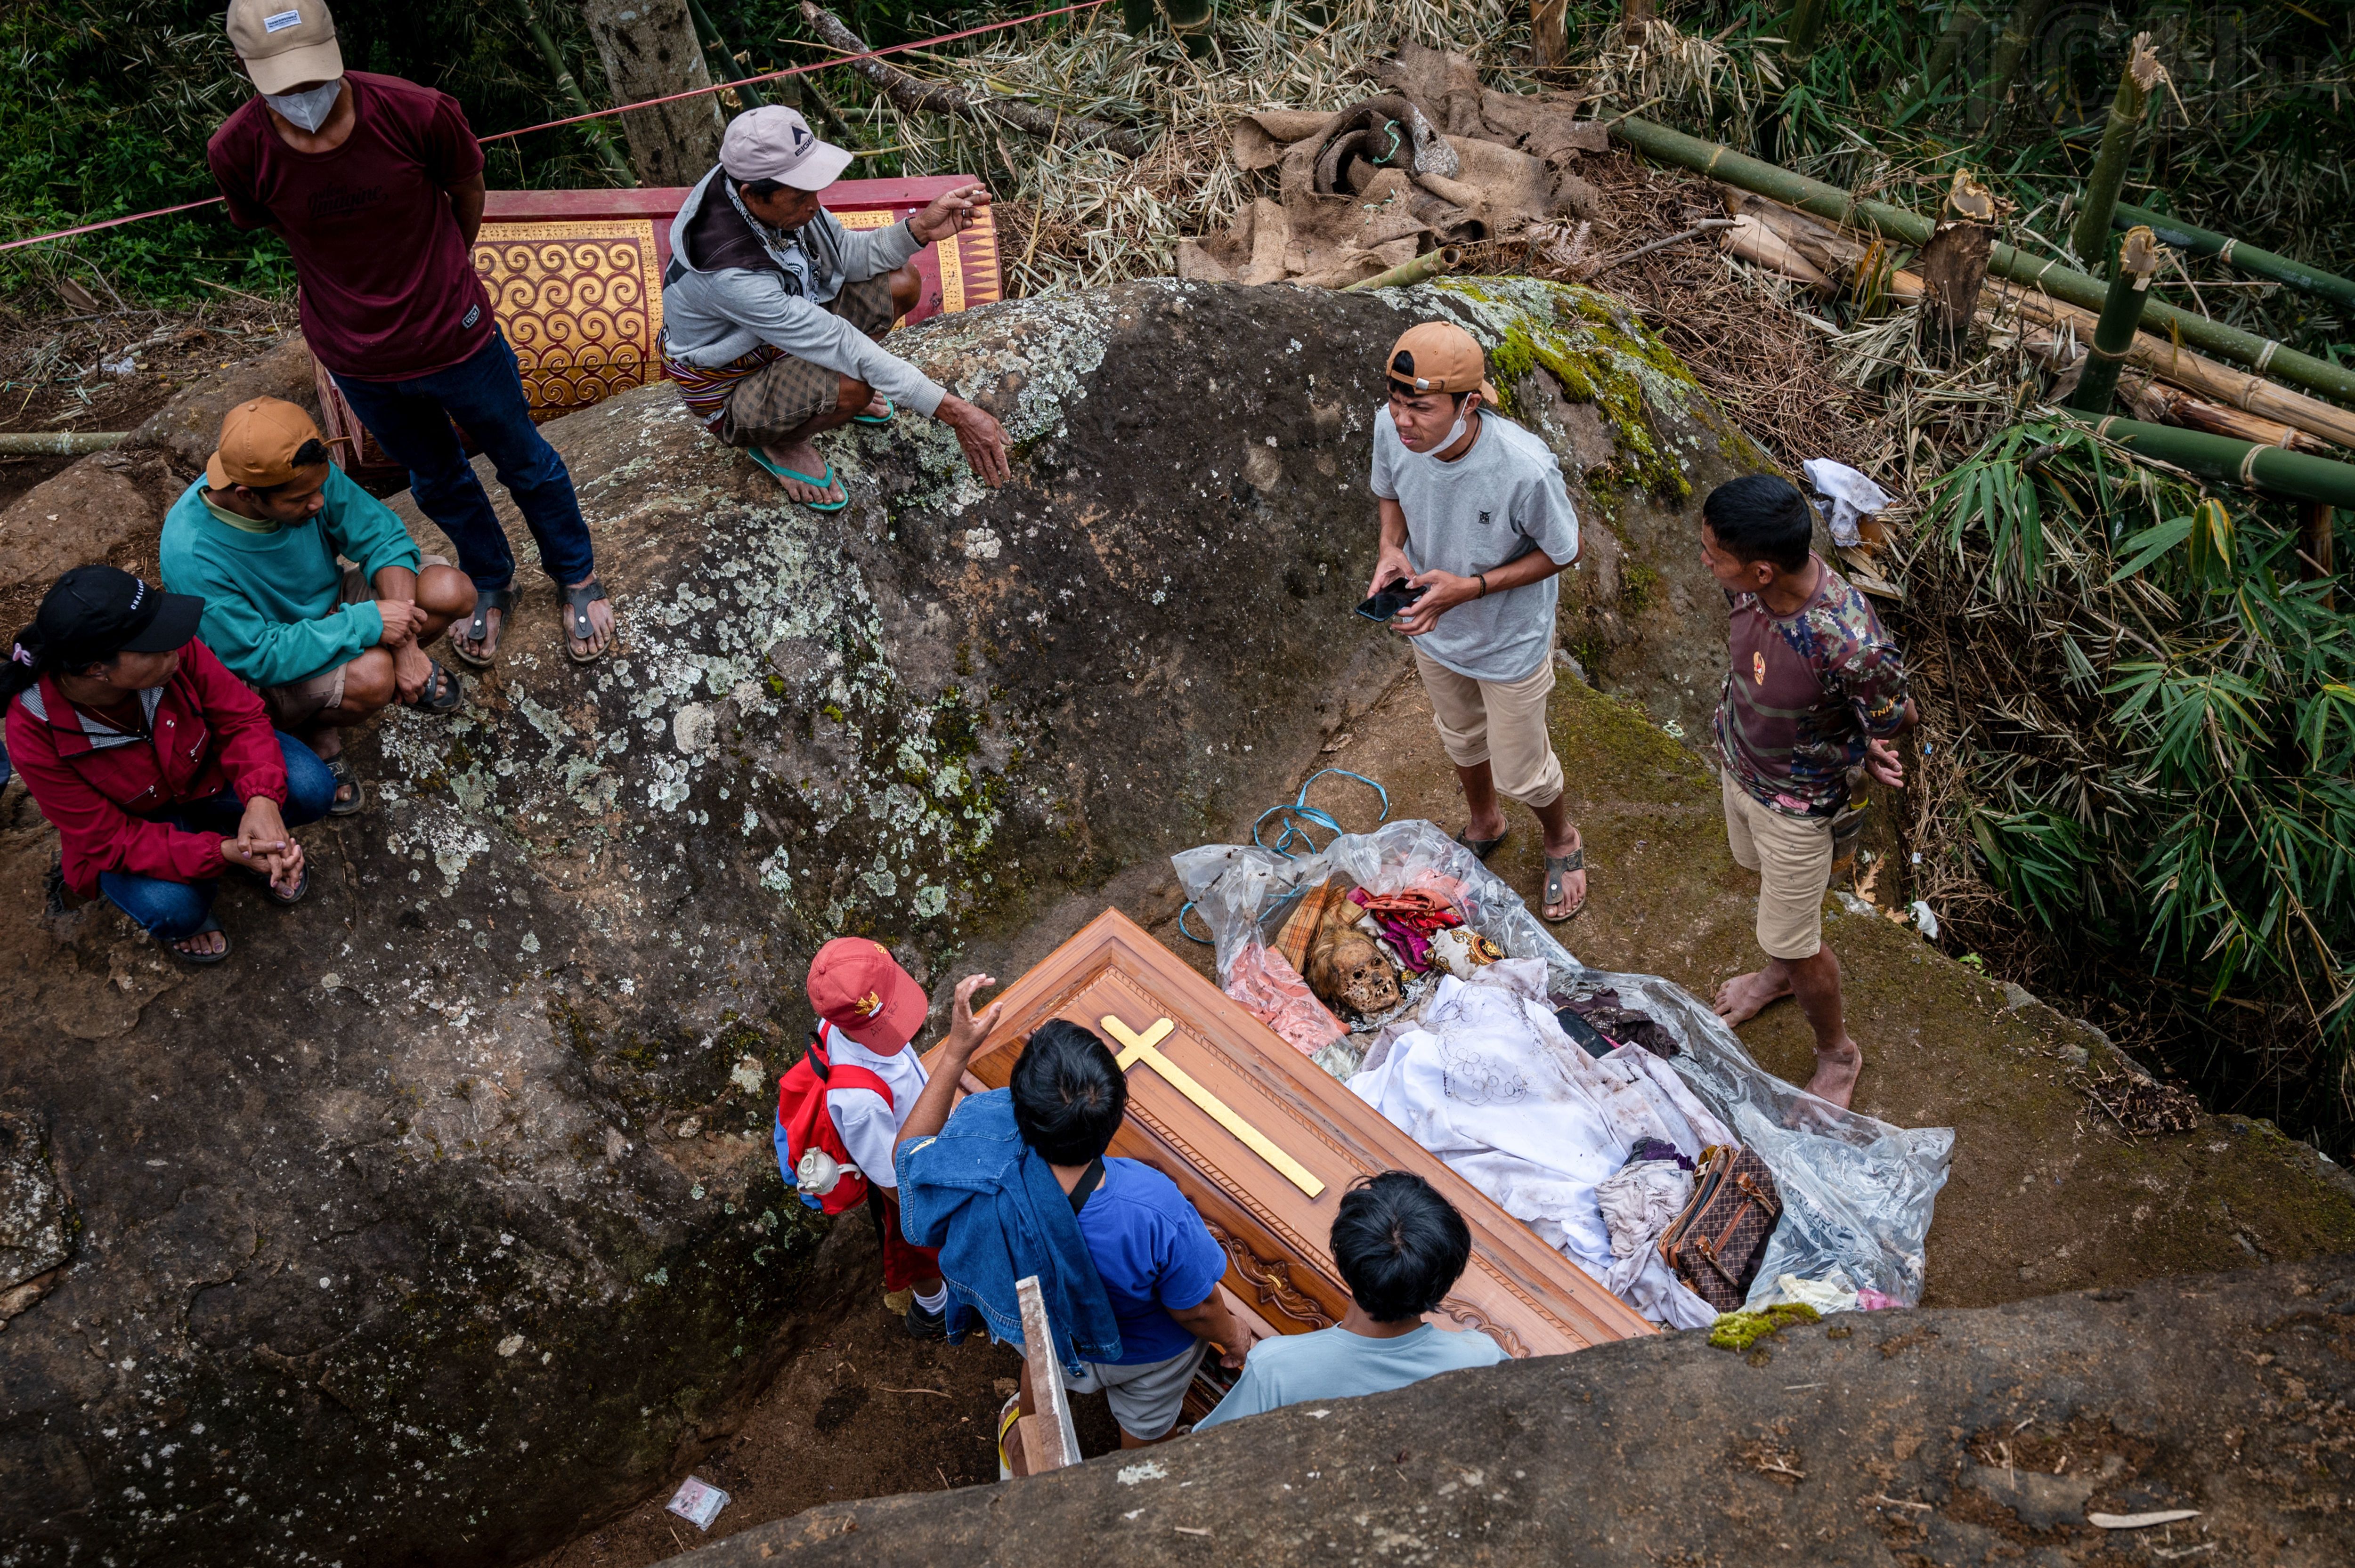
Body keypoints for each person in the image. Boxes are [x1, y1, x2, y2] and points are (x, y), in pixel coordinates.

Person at [207, 0, 617, 669]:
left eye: (312, 76)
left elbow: (468, 186)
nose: (303, 97)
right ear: (245, 68)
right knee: (435, 475)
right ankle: (493, 578)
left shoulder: (416, 111)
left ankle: (575, 573)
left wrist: (445, 268)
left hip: (456, 334)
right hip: (358, 354)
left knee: (521, 455)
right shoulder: (237, 150)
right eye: (283, 86)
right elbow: (275, 224)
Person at [895, 996, 1258, 1471]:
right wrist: (1234, 1338)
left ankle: (1027, 1455)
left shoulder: (983, 1145)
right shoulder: (1149, 1205)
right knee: (1148, 1430)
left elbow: (910, 1154)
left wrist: (958, 1053)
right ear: (1115, 1113)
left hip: (1040, 1327)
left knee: (1041, 1368)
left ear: (1017, 1110)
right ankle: (1139, 1479)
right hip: (1144, 1357)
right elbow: (1196, 1309)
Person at [659, 104, 1013, 510]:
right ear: (752, 196)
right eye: (801, 195)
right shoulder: (728, 272)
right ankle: (779, 440)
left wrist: (918, 230)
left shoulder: (768, 196)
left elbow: (842, 254)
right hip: (732, 385)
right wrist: (956, 413)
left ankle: (818, 401)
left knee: (902, 283)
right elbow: (837, 341)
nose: (815, 205)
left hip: (779, 338)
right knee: (855, 386)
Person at [1700, 474, 1914, 1109]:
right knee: (1761, 888)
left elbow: (1899, 714)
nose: (1705, 562)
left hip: (1794, 805)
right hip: (1739, 763)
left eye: (1714, 555)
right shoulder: (1753, 591)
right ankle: (1778, 975)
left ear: (1762, 570)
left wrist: (1865, 738)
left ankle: (1837, 1052)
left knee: (1796, 938)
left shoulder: (1850, 640)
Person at [1366, 321, 1589, 921]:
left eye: (1420, 408)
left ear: (1469, 404)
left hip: (1507, 641)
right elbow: (1388, 488)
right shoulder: (1393, 430)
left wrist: (1470, 589)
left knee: (1524, 771)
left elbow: (1565, 550)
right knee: (1459, 735)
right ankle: (1484, 822)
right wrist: (1392, 549)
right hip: (1434, 628)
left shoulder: (1523, 468)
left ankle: (1560, 838)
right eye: (1395, 402)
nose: (1402, 421)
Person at [4, 566, 337, 963]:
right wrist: (223, 852)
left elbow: (241, 719)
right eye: (157, 646)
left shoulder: (169, 651)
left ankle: (248, 844)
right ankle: (230, 858)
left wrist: (262, 800)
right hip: (139, 827)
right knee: (173, 910)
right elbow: (109, 840)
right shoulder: (35, 730)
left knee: (311, 787)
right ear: (97, 670)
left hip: (206, 777)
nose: (176, 647)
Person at [161, 397, 473, 814]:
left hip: (329, 608)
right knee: (374, 677)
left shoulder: (302, 474)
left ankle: (384, 667)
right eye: (302, 499)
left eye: (320, 488)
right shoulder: (192, 551)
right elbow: (256, 654)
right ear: (246, 495)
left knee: (452, 590)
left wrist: (406, 647)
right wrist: (365, 625)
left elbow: (382, 539)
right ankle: (315, 727)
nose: (318, 503)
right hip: (267, 667)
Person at [1194, 1171, 1502, 1431]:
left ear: (1341, 1258)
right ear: (1446, 1283)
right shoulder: (1483, 1359)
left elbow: (1210, 1451)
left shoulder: (1277, 1368)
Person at [779, 938, 953, 1337]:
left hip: (910, 1140)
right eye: (882, 1020)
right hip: (904, 1182)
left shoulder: (837, 1021)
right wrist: (929, 1218)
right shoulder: (860, 1104)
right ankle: (934, 1309)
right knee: (917, 1252)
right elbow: (894, 1181)